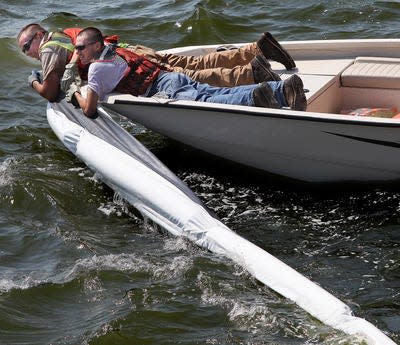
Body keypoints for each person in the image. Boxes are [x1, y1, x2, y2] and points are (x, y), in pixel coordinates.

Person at [17, 23, 296, 101]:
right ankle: (255, 50)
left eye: (27, 45)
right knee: (190, 64)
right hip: (130, 51)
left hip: (129, 62)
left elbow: (51, 92)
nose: (27, 51)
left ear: (38, 36)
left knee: (194, 77)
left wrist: (33, 81)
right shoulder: (60, 34)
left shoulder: (49, 49)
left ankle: (251, 72)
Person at [67, 27, 306, 118]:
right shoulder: (113, 49)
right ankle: (282, 89)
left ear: (96, 45)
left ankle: (254, 96)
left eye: (80, 48)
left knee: (209, 97)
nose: (78, 53)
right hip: (166, 75)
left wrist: (76, 92)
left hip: (161, 87)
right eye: (75, 49)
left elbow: (89, 110)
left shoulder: (96, 67)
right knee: (209, 84)